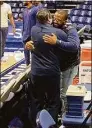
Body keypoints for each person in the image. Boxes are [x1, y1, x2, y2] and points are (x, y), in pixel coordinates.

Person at [29, 8, 68, 127]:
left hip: (36, 72)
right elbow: (65, 50)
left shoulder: (33, 30)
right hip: (51, 72)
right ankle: (51, 125)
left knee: (37, 101)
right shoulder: (59, 33)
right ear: (48, 19)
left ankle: (37, 125)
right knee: (53, 102)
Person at [43, 10, 80, 113]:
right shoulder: (52, 26)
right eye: (54, 18)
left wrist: (57, 42)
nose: (55, 21)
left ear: (65, 20)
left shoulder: (70, 30)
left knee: (64, 93)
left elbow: (74, 46)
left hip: (69, 66)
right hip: (58, 65)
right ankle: (60, 112)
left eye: (58, 20)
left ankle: (65, 116)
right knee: (57, 92)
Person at [23, 1, 44, 66]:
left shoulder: (36, 9)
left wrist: (37, 32)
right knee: (25, 50)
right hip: (25, 33)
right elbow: (24, 22)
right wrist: (23, 31)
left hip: (33, 33)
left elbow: (38, 22)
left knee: (34, 51)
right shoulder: (24, 10)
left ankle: (34, 65)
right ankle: (27, 64)